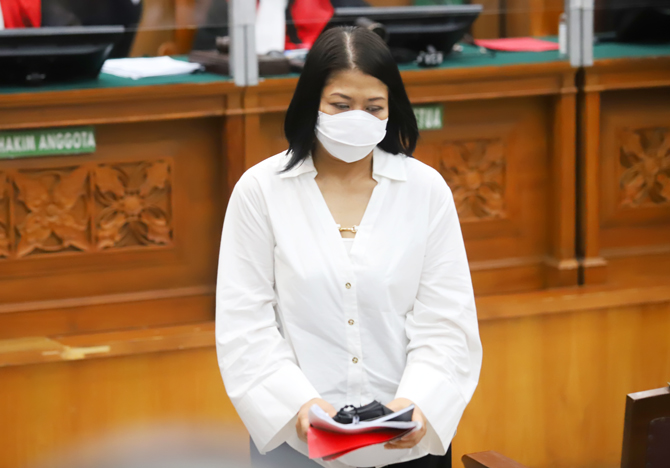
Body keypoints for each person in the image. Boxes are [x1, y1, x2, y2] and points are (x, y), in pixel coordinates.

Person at [215, 26, 482, 468]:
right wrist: (300, 407)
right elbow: (246, 326)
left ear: (391, 109)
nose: (358, 118)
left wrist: (418, 403)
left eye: (374, 107)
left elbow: (447, 321)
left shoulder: (425, 190)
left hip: (407, 444)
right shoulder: (260, 190)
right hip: (299, 449)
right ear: (311, 102)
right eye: (341, 105)